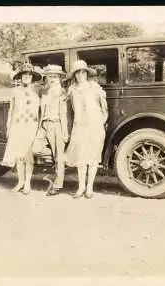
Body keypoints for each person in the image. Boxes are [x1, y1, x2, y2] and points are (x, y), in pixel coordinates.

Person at [65, 60, 108, 199]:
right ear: (74, 75)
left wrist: (100, 122)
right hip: (79, 127)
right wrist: (70, 129)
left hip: (94, 126)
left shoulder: (94, 87)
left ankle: (90, 188)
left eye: (83, 72)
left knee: (93, 157)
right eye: (78, 72)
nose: (81, 74)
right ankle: (81, 186)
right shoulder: (72, 90)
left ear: (87, 73)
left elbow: (104, 108)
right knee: (81, 158)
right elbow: (70, 112)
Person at [2, 62, 42, 195]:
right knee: (19, 156)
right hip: (18, 126)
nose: (26, 77)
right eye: (24, 75)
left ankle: (28, 183)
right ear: (21, 77)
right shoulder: (15, 91)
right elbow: (11, 110)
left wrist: (39, 128)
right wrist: (9, 126)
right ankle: (20, 181)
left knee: (28, 156)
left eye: (29, 75)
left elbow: (41, 110)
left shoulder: (37, 91)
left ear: (32, 77)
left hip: (31, 126)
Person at [38, 64, 69, 196]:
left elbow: (65, 114)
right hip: (44, 125)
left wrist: (65, 132)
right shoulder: (44, 92)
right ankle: (51, 173)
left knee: (59, 157)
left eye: (55, 76)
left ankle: (57, 184)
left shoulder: (63, 93)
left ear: (60, 78)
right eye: (50, 76)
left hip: (57, 125)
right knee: (35, 149)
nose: (53, 79)